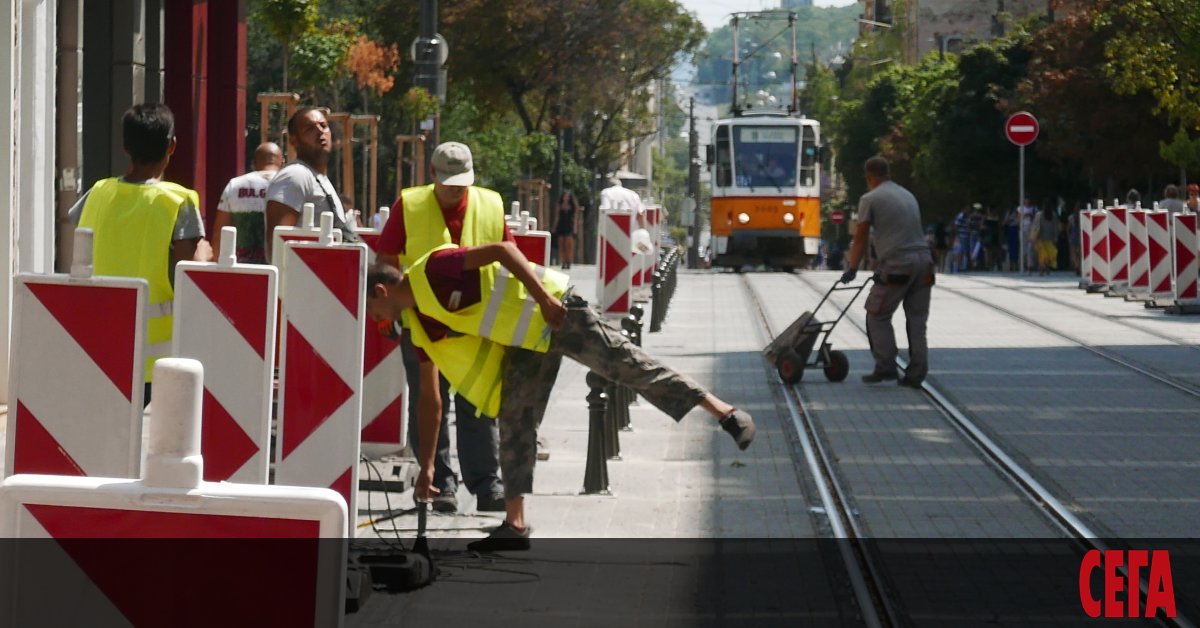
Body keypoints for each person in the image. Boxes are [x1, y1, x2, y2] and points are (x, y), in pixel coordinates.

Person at [364, 241, 756, 551]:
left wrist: (544, 299)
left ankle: (721, 410)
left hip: (557, 311)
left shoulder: (434, 268)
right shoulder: (420, 324)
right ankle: (515, 525)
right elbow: (430, 400)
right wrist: (428, 465)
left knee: (628, 365)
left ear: (382, 291)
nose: (377, 322)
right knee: (514, 419)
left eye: (373, 311)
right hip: (524, 344)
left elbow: (503, 250)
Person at [374, 141, 507, 514]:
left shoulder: (490, 204)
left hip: (475, 324)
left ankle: (486, 484)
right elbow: (386, 260)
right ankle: (440, 483)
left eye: (461, 182)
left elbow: (505, 259)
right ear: (432, 174)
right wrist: (388, 312)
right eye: (447, 181)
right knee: (428, 402)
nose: (454, 189)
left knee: (478, 402)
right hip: (423, 324)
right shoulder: (411, 204)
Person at [67, 103, 204, 403]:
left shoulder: (98, 193)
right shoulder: (177, 201)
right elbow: (189, 271)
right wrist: (205, 251)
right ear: (172, 146)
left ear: (126, 147)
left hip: (96, 340)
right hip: (152, 357)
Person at [840, 156, 933, 388]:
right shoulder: (907, 194)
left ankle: (885, 366)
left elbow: (860, 237)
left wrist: (852, 267)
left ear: (868, 177)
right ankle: (916, 373)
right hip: (924, 262)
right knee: (917, 320)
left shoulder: (870, 198)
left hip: (898, 265)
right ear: (888, 173)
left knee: (877, 314)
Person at [264, 107, 358, 258]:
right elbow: (276, 247)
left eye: (323, 125)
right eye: (310, 129)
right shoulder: (294, 176)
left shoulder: (319, 178)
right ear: (294, 141)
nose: (320, 131)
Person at [212, 142, 282, 264]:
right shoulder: (289, 187)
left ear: (254, 163)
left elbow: (220, 232)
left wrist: (217, 266)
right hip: (279, 269)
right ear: (282, 162)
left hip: (242, 270)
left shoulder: (234, 185)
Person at [553, 190, 581, 270]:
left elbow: (575, 218)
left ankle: (568, 261)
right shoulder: (559, 205)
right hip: (561, 226)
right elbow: (557, 217)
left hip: (570, 226)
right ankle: (563, 261)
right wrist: (554, 228)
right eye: (565, 196)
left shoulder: (573, 206)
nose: (566, 198)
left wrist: (575, 229)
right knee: (561, 245)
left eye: (568, 196)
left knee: (569, 246)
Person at [1032, 204, 1059, 275]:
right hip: (1050, 237)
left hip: (1040, 237)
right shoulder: (1053, 215)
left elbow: (1036, 225)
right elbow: (1056, 227)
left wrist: (1034, 236)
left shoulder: (1039, 214)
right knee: (1050, 254)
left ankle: (1041, 269)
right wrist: (1056, 237)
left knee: (1042, 254)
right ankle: (1047, 268)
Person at [1018, 197, 1038, 273]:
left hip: (1031, 229)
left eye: (1028, 200)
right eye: (1026, 200)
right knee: (1024, 248)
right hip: (1023, 229)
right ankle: (1024, 264)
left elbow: (1036, 219)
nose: (1027, 201)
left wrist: (1031, 216)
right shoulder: (1020, 208)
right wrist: (1024, 216)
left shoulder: (1034, 208)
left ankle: (1030, 265)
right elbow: (1018, 219)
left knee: (1031, 248)